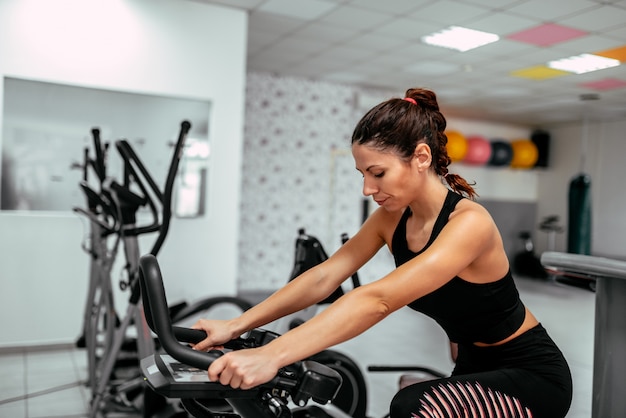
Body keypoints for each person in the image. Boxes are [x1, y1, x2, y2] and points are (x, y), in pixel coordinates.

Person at [193, 88, 573, 418]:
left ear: (421, 158)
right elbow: (326, 276)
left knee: (410, 406)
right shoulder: (390, 219)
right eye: (362, 175)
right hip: (475, 367)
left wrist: (273, 355)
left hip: (531, 375)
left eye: (377, 173)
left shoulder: (469, 223)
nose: (367, 188)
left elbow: (377, 299)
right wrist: (236, 325)